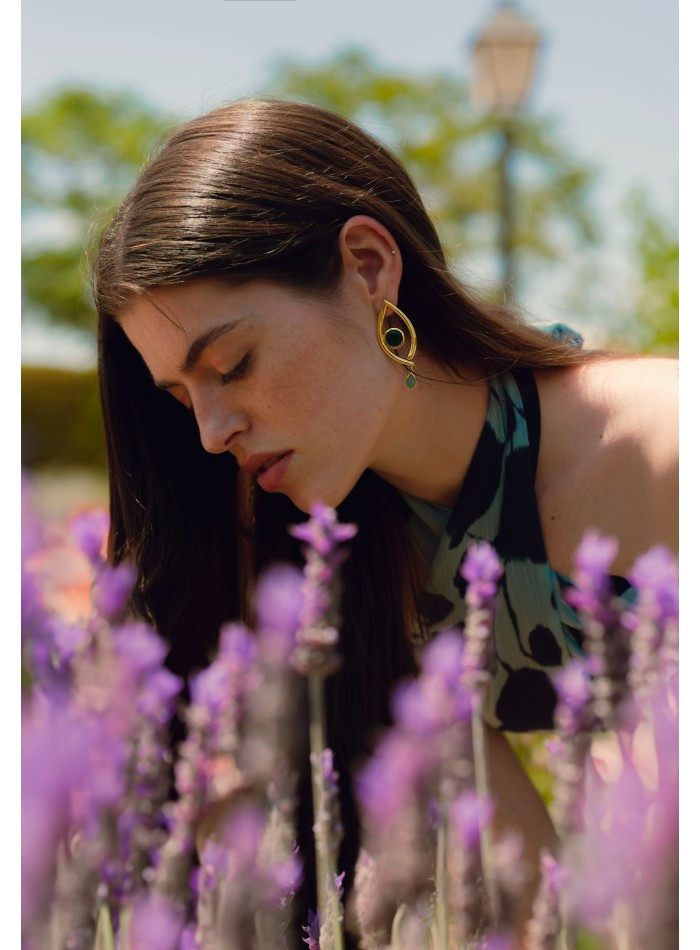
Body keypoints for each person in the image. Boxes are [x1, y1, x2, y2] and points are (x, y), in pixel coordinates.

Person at [91, 97, 678, 944]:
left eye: (233, 364)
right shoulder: (344, 545)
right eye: (183, 398)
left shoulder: (662, 449)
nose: (212, 433)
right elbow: (520, 894)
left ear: (369, 266)